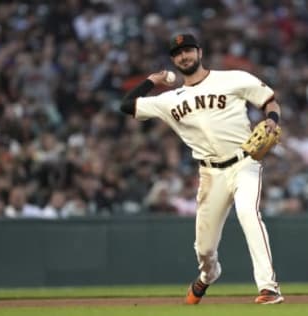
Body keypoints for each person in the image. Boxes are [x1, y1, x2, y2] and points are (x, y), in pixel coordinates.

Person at [120, 33, 284, 305]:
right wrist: (151, 81)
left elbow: (270, 100)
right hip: (210, 174)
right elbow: (126, 106)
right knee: (205, 249)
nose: (184, 56)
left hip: (245, 162)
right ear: (173, 60)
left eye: (188, 50)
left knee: (248, 213)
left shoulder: (232, 78)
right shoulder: (170, 100)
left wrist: (272, 120)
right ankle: (209, 275)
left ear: (200, 52)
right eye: (178, 53)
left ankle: (268, 287)